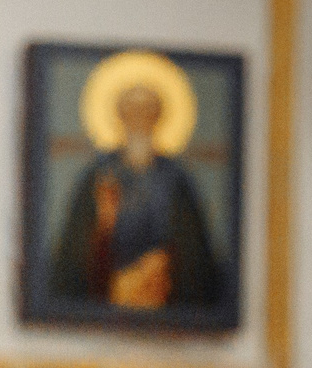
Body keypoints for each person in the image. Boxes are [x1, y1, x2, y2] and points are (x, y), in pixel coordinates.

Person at [47, 80, 223, 314]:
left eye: (147, 110)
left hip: (162, 289)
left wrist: (161, 268)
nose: (139, 118)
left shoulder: (176, 178)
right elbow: (76, 246)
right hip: (109, 290)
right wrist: (104, 224)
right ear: (120, 116)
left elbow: (193, 250)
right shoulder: (99, 174)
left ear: (159, 117)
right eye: (131, 110)